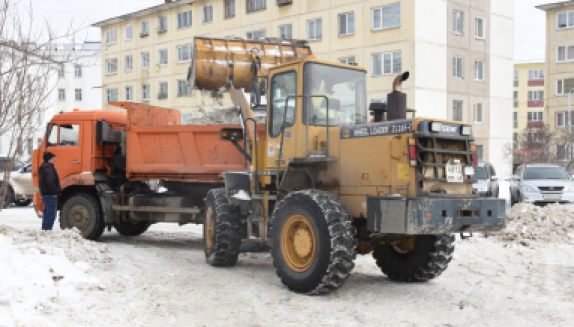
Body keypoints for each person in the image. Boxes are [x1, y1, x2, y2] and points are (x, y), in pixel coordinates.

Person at [38, 152, 61, 231]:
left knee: (47, 213)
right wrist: (55, 192)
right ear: (49, 160)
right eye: (53, 158)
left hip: (45, 194)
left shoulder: (44, 167)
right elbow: (50, 181)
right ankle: (47, 231)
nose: (55, 160)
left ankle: (44, 230)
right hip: (50, 195)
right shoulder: (49, 168)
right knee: (51, 215)